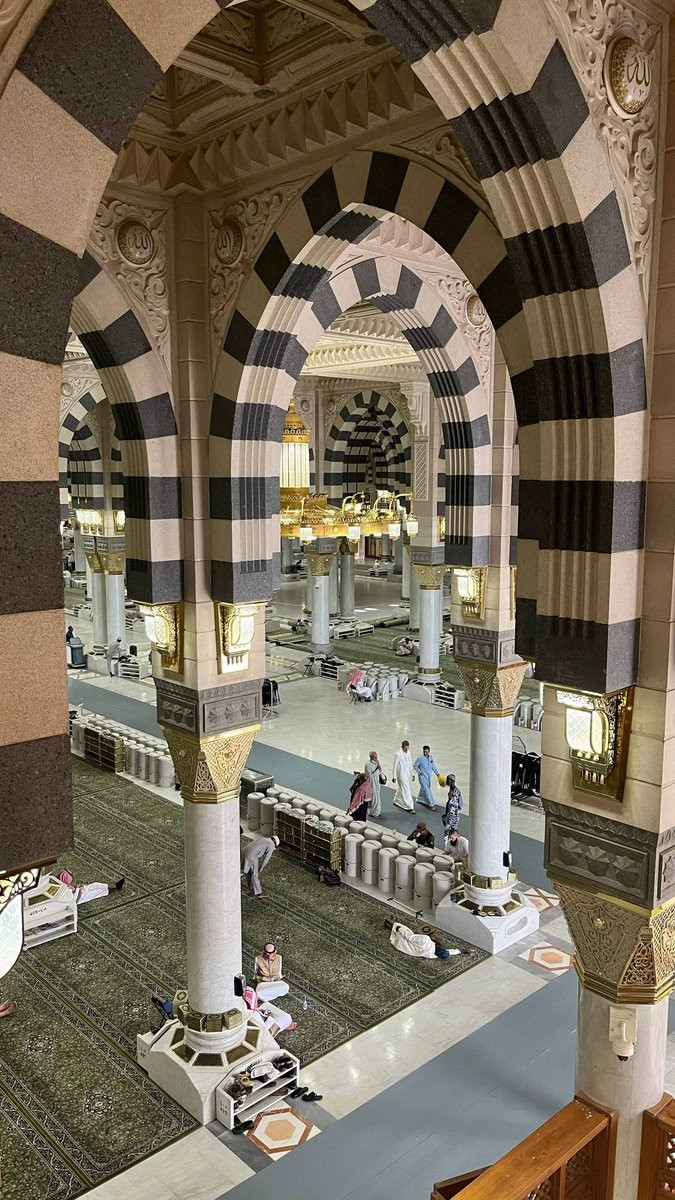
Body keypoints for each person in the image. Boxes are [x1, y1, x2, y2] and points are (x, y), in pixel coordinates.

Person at [242, 834, 279, 899]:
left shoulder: (263, 839)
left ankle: (252, 890)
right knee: (255, 874)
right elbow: (266, 859)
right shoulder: (271, 844)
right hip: (252, 855)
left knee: (249, 872)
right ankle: (259, 893)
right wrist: (260, 869)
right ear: (275, 843)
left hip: (244, 851)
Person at [58, 869, 125, 904]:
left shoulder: (64, 885)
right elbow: (74, 900)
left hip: (82, 890)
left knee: (95, 884)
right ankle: (112, 889)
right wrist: (78, 889)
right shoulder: (62, 891)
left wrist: (78, 888)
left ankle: (114, 886)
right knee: (97, 891)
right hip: (81, 897)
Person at [413, 744, 440, 810]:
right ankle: (431, 804)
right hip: (422, 778)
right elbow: (415, 766)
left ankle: (419, 799)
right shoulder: (420, 758)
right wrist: (420, 772)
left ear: (429, 751)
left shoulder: (430, 758)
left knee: (424, 789)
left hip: (429, 778)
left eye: (426, 752)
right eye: (424, 751)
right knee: (427, 790)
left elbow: (433, 766)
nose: (425, 753)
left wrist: (437, 773)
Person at [392, 739, 416, 812]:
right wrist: (394, 777)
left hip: (407, 774)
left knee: (401, 788)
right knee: (407, 790)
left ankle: (396, 800)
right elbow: (395, 766)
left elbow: (410, 763)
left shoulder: (409, 752)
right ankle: (410, 806)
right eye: (405, 748)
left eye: (407, 748)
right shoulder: (398, 754)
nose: (406, 750)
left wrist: (412, 773)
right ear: (402, 747)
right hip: (401, 775)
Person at [364, 750, 384, 818]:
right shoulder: (367, 764)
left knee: (377, 797)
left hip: (377, 782)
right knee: (374, 797)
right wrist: (377, 770)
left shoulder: (377, 762)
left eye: (376, 756)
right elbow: (370, 776)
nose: (376, 758)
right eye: (374, 757)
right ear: (370, 757)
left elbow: (380, 771)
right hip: (371, 783)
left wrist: (382, 776)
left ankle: (376, 811)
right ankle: (373, 813)